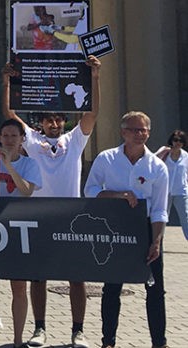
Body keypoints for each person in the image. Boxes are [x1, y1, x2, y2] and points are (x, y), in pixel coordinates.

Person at [3, 55, 101, 348]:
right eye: (49, 119)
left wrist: (95, 77)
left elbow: (93, 113)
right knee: (38, 277)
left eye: (59, 119)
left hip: (71, 215)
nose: (55, 123)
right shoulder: (31, 140)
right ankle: (39, 328)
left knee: (76, 278)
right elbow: (9, 111)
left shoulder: (75, 140)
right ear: (42, 123)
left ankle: (78, 331)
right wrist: (7, 82)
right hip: (39, 215)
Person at [83, 111, 168, 348]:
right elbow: (89, 191)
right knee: (112, 288)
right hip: (115, 228)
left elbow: (161, 209)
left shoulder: (157, 167)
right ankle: (108, 341)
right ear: (123, 132)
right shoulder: (106, 159)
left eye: (144, 130)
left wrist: (157, 241)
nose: (139, 134)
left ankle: (159, 342)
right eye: (134, 129)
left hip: (146, 230)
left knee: (155, 290)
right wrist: (118, 195)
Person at [0, 119, 42, 348]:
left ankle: (17, 341)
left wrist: (9, 166)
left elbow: (26, 191)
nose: (8, 140)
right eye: (4, 135)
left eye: (13, 136)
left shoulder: (30, 164)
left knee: (19, 286)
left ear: (21, 140)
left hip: (18, 228)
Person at [158, 130, 188, 240]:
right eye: (175, 140)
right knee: (162, 217)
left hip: (181, 191)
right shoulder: (165, 152)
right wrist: (162, 152)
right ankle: (158, 241)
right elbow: (151, 161)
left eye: (181, 141)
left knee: (185, 216)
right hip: (165, 191)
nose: (178, 143)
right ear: (171, 140)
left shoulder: (186, 156)